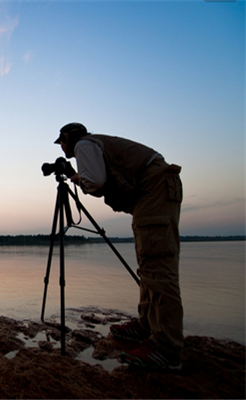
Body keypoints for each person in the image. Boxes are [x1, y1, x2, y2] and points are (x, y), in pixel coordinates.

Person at [54, 122, 184, 370]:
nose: (61, 148)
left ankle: (166, 348)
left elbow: (96, 182)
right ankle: (146, 324)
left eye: (61, 142)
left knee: (157, 267)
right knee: (148, 263)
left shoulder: (84, 145)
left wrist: (78, 178)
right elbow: (99, 176)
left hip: (153, 188)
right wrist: (76, 175)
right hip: (151, 189)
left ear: (68, 138)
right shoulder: (94, 145)